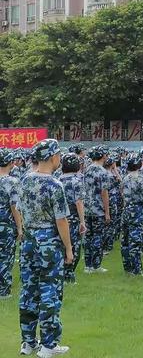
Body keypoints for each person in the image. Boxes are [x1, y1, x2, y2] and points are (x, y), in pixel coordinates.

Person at [18, 139, 73, 358]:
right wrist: (68, 248)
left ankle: (28, 342)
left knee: (29, 290)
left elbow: (20, 209)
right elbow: (61, 220)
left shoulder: (25, 180)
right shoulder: (54, 185)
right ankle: (49, 345)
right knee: (50, 291)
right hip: (49, 242)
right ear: (53, 157)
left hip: (29, 240)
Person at [121, 154, 143, 276]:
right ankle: (137, 270)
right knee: (136, 240)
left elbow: (122, 194)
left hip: (126, 210)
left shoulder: (125, 178)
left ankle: (127, 267)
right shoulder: (141, 179)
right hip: (137, 211)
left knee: (126, 240)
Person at [58, 153, 86, 284]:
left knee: (62, 246)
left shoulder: (57, 179)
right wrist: (82, 221)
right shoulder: (77, 181)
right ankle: (68, 275)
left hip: (59, 219)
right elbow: (79, 202)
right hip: (73, 219)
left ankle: (61, 273)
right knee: (73, 247)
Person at [83, 146, 110, 274]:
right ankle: (96, 265)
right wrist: (107, 212)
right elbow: (104, 193)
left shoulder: (87, 169)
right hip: (98, 209)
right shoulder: (103, 172)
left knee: (88, 237)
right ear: (102, 156)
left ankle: (87, 265)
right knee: (98, 237)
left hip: (87, 208)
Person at [0, 148, 23, 299]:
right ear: (10, 162)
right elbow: (15, 207)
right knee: (5, 258)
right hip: (6, 226)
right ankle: (3, 291)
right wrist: (20, 228)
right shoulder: (12, 181)